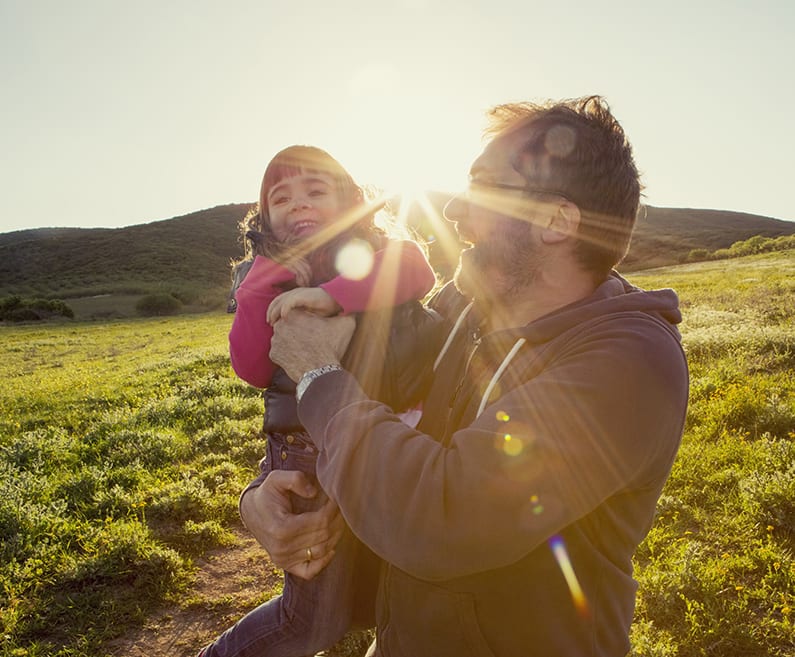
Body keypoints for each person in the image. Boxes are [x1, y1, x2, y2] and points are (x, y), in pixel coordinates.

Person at [255, 96, 689, 656]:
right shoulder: (463, 304)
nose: (457, 208)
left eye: (484, 187)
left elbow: (441, 517)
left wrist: (317, 372)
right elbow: (370, 411)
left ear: (556, 221)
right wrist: (261, 493)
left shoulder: (628, 363)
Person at [200, 145, 439, 657]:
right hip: (307, 454)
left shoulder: (379, 249)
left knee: (392, 588)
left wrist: (335, 295)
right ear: (264, 217)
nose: (299, 205)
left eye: (315, 191)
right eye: (281, 198)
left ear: (350, 199)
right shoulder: (262, 276)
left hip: (392, 440)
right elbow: (252, 367)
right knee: (312, 619)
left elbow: (417, 269)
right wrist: (260, 283)